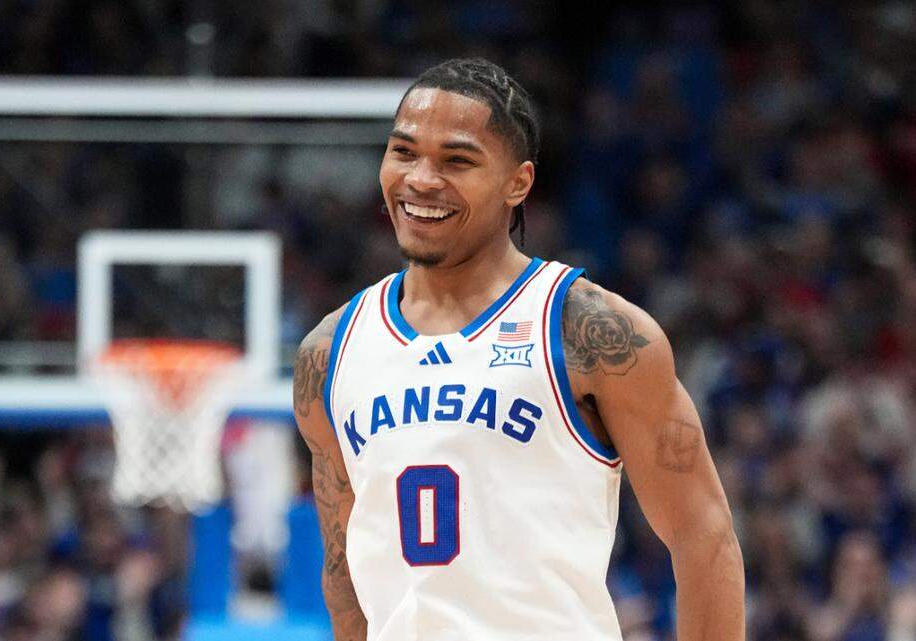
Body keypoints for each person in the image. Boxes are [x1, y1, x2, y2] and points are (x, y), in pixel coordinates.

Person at [293, 57, 745, 641]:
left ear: (518, 182)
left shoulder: (589, 331)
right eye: (404, 152)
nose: (421, 179)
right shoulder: (328, 353)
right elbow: (344, 571)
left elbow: (703, 535)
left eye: (457, 159)